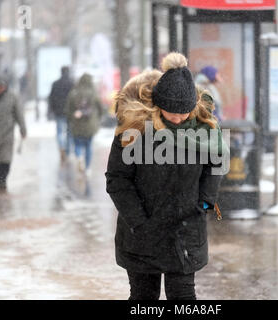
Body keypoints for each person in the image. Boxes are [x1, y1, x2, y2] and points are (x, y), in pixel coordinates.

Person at [105, 52, 228, 300]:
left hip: (185, 232)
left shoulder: (204, 129)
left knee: (183, 297)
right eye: (173, 112)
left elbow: (216, 164)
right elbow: (117, 179)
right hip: (141, 232)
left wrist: (204, 202)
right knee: (143, 298)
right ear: (159, 105)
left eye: (185, 113)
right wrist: (138, 221)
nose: (179, 118)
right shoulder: (135, 130)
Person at [65, 73, 103, 176]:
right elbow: (100, 108)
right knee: (89, 146)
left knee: (77, 144)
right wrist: (99, 118)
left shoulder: (73, 93)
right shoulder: (93, 93)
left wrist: (72, 117)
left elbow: (68, 110)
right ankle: (87, 168)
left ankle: (79, 157)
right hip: (90, 124)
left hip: (77, 125)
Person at [48, 66, 74, 162]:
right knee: (69, 133)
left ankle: (61, 147)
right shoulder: (72, 84)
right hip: (70, 112)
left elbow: (51, 97)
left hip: (58, 111)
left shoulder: (55, 84)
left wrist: (51, 110)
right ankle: (67, 150)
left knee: (59, 131)